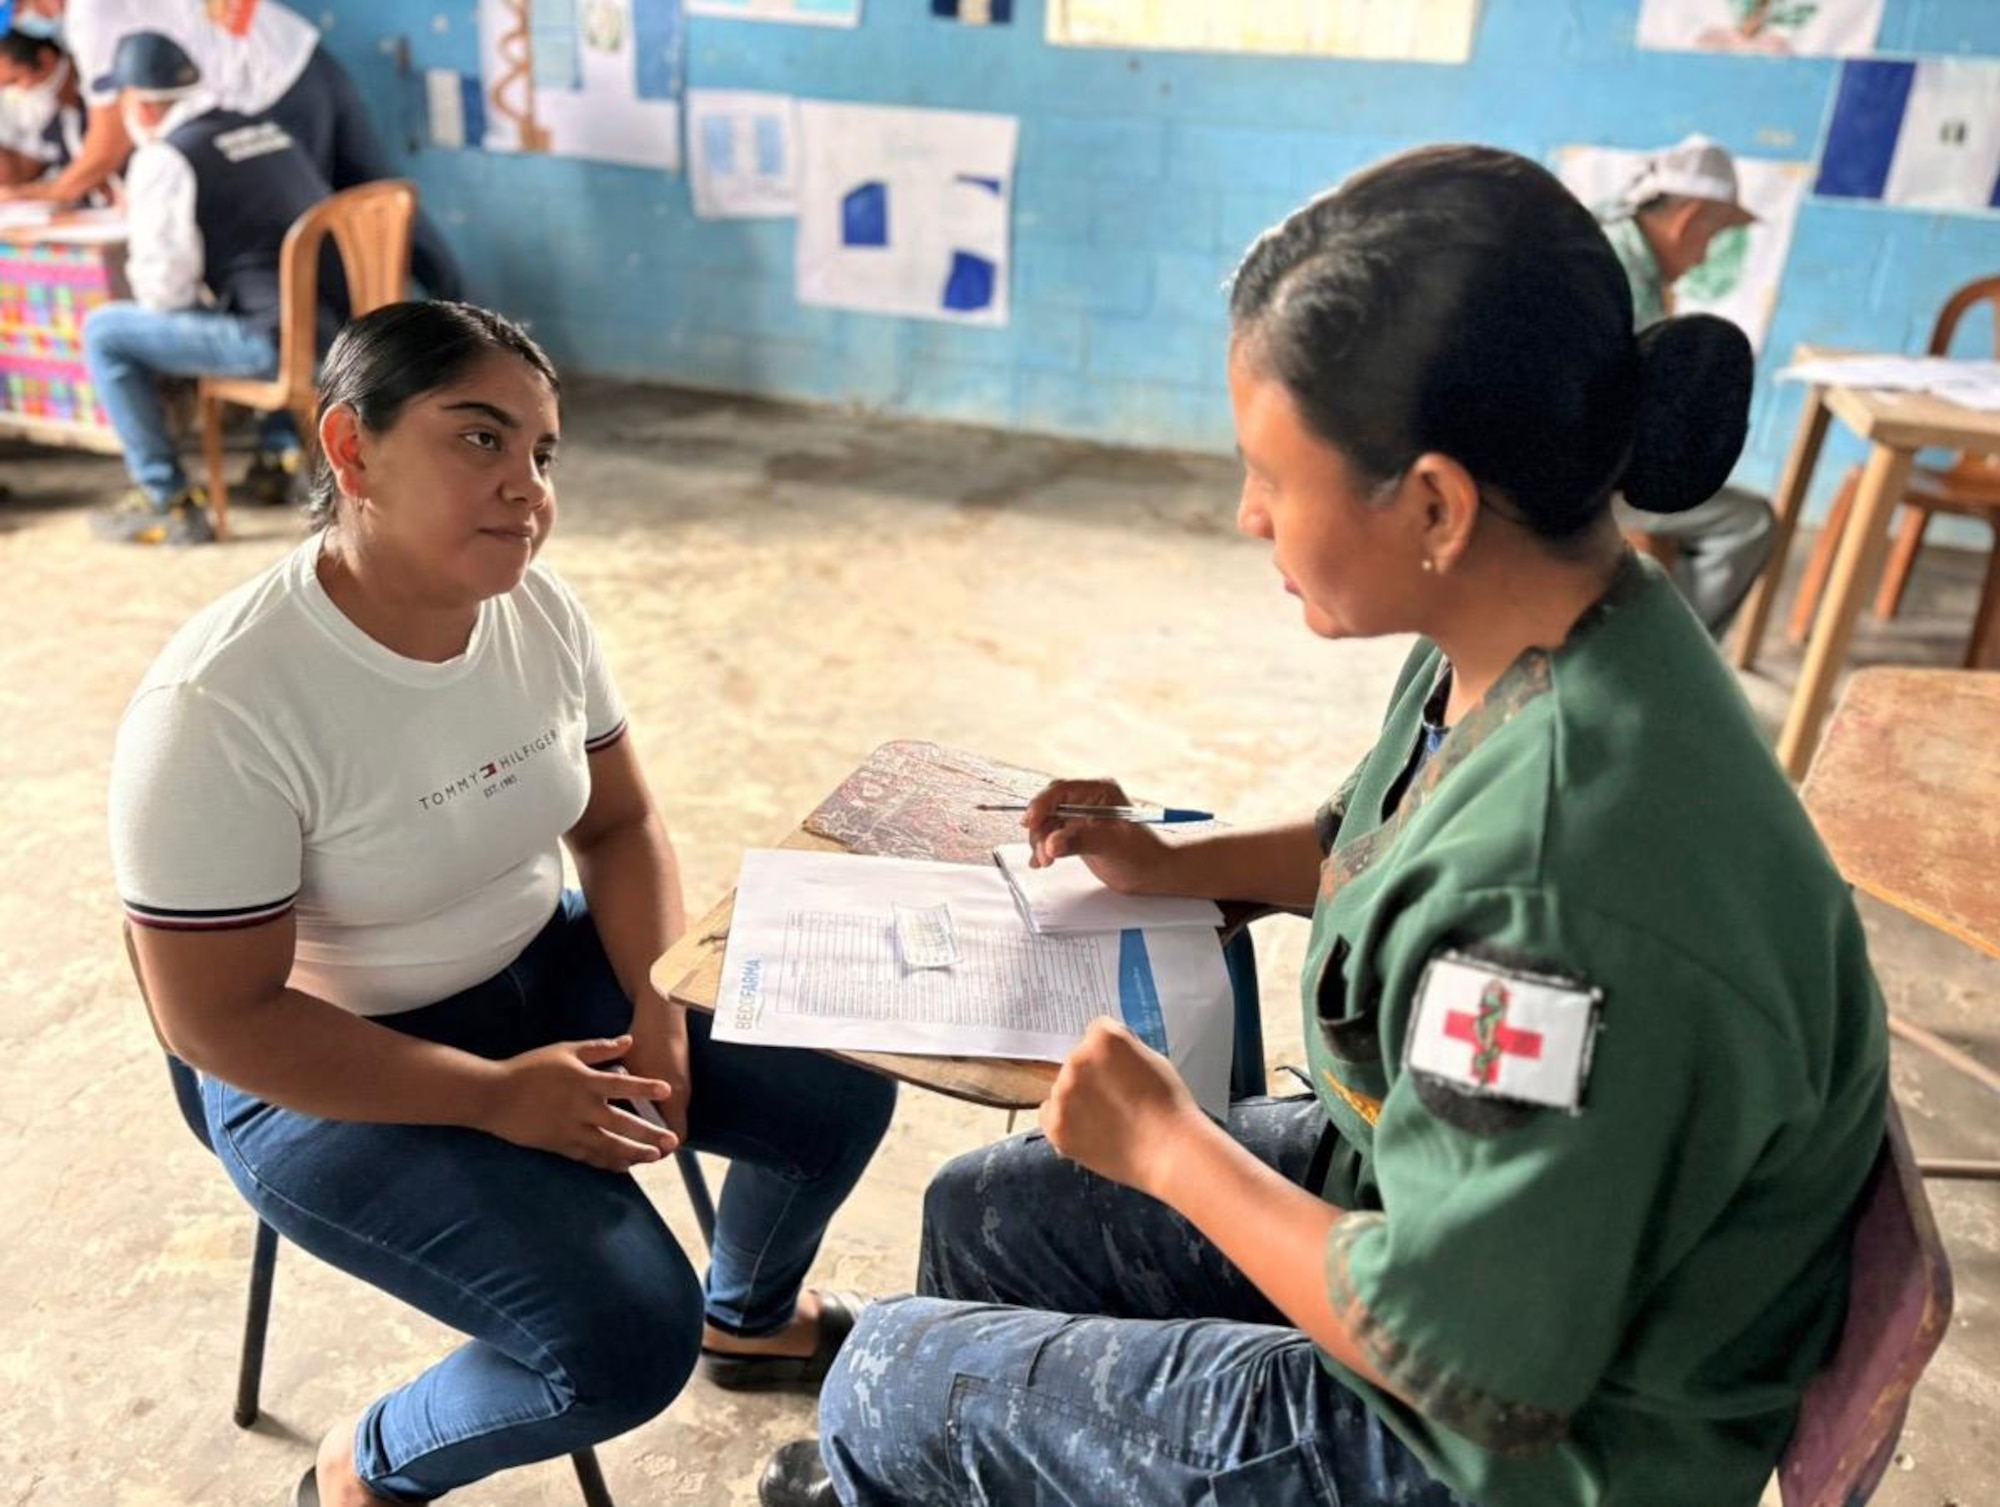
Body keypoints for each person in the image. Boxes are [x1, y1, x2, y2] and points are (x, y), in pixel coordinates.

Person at [759, 145, 1889, 1507]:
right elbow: (1376, 830)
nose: (1248, 516)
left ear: (1431, 504)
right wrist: (1173, 861)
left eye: (1269, 475)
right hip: (1451, 1208)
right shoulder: (1529, 623)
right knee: (981, 1211)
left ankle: (923, 1449)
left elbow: (1473, 1357)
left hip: (1513, 1443)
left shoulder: (1555, 896)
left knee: (890, 1374)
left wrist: (1175, 1148)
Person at [110, 299, 898, 1505]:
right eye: (478, 439)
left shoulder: (536, 609)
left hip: (543, 965)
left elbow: (620, 824)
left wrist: (658, 1007)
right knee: (623, 1341)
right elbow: (221, 1022)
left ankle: (750, 1317)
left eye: (541, 453)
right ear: (349, 446)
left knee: (837, 1076)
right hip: (325, 1066)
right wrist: (492, 1098)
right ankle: (365, 1467)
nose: (524, 486)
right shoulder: (222, 705)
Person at [0, 0, 463, 300]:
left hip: (266, 94)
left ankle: (331, 393)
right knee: (386, 203)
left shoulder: (89, 14)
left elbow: (108, 138)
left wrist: (46, 195)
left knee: (307, 240)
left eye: (21, 9)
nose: (31, 16)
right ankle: (472, 335)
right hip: (299, 56)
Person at [80, 30, 337, 544]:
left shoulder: (166, 159)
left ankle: (166, 498)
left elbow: (162, 293)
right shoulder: (263, 128)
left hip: (277, 344)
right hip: (338, 329)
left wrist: (142, 220)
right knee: (253, 297)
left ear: (142, 106)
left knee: (104, 331)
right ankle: (279, 453)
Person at [1597, 133, 1778, 638]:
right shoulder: (1627, 276)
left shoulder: (1603, 240)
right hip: (1578, 477)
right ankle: (1675, 652)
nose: (1703, 258)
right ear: (1689, 219)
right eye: (1712, 236)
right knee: (1751, 522)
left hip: (1547, 460)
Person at [0, 28, 84, 183]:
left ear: (45, 59)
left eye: (14, 80)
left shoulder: (97, 94)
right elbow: (22, 167)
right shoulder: (55, 123)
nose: (14, 93)